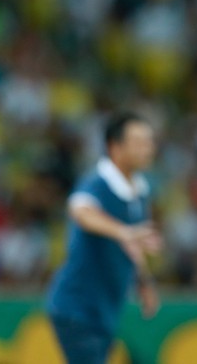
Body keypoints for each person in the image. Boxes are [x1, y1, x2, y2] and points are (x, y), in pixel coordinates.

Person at [46, 111, 162, 364]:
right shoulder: (97, 182)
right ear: (115, 146)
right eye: (139, 142)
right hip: (77, 307)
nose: (148, 149)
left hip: (105, 309)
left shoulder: (140, 190)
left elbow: (133, 244)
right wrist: (123, 232)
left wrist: (144, 282)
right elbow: (81, 211)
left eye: (150, 141)